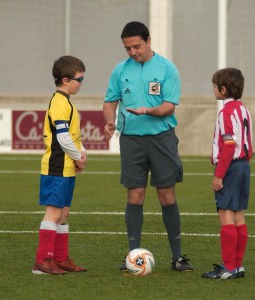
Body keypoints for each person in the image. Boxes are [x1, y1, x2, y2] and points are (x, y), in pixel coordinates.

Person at [103, 21, 193, 272]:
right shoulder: (120, 70)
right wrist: (109, 121)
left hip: (162, 138)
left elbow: (169, 106)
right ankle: (133, 255)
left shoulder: (167, 68)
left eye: (136, 46)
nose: (132, 52)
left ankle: (177, 257)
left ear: (148, 41)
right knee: (135, 196)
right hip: (131, 140)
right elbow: (110, 101)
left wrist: (148, 111)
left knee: (166, 196)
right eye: (127, 48)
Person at [32, 55, 88, 275]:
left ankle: (60, 259)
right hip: (56, 166)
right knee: (54, 213)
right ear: (66, 80)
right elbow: (63, 138)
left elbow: (72, 136)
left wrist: (82, 153)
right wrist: (76, 156)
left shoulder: (66, 102)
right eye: (80, 78)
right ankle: (42, 262)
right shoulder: (58, 102)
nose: (82, 83)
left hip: (65, 167)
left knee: (63, 213)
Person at [202, 68, 253, 279]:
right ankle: (237, 266)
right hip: (244, 166)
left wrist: (219, 174)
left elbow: (229, 145)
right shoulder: (244, 110)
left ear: (223, 90)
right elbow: (247, 143)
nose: (213, 90)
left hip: (231, 168)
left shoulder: (226, 112)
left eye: (214, 87)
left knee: (226, 216)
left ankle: (228, 268)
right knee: (239, 216)